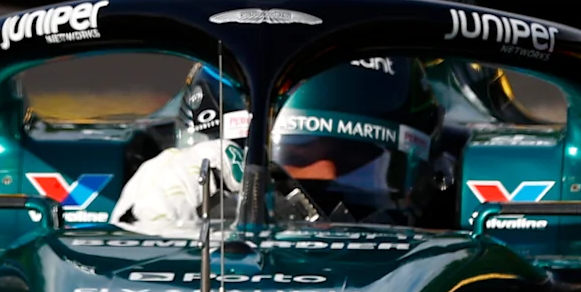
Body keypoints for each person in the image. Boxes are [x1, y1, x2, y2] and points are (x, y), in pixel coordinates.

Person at [110, 57, 428, 233]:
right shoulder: (181, 185)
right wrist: (151, 231)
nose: (324, 213)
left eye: (357, 167)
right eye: (300, 159)